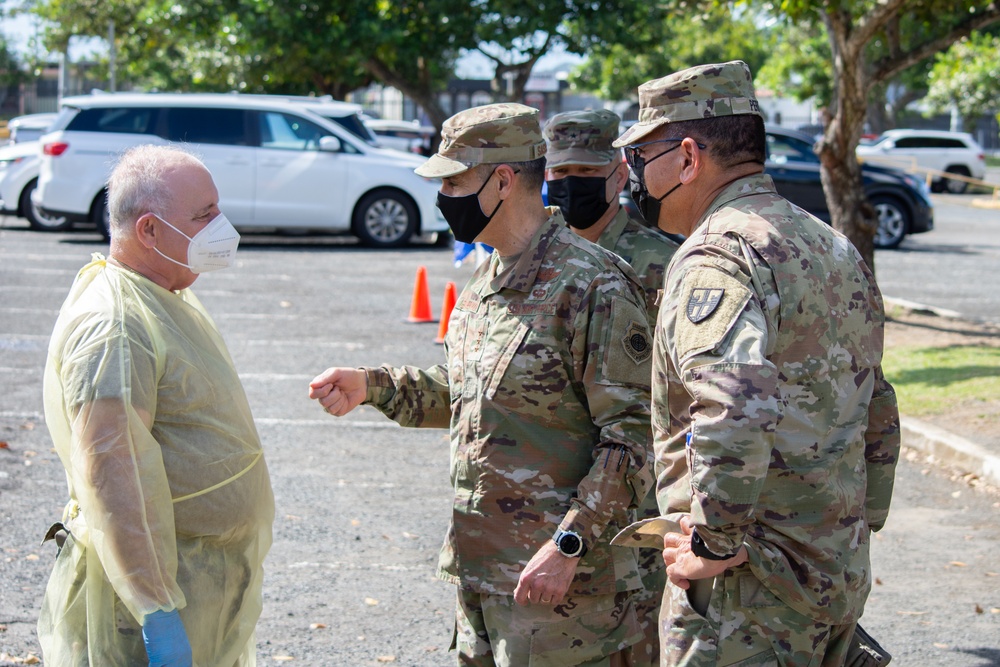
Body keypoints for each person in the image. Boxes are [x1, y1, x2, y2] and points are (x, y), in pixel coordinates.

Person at [310, 103, 655, 667]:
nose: (444, 196)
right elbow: (466, 390)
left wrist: (570, 544)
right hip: (483, 573)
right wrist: (372, 385)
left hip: (567, 594)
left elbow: (633, 435)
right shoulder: (486, 276)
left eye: (454, 181)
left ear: (502, 180)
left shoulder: (591, 285)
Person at [611, 61, 901, 666]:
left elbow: (732, 403)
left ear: (688, 158)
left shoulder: (717, 256)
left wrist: (713, 543)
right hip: (830, 577)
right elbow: (878, 405)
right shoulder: (832, 246)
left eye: (641, 156)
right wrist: (852, 530)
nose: (631, 173)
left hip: (749, 597)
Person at [38, 144, 274, 666]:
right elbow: (113, 477)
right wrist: (156, 609)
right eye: (203, 215)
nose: (222, 227)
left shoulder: (159, 293)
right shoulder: (116, 323)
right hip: (156, 599)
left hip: (198, 580)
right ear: (148, 231)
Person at [543, 109, 680, 667]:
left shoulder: (663, 261)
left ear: (621, 175)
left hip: (635, 501)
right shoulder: (536, 263)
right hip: (551, 497)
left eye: (586, 170)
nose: (571, 183)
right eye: (560, 171)